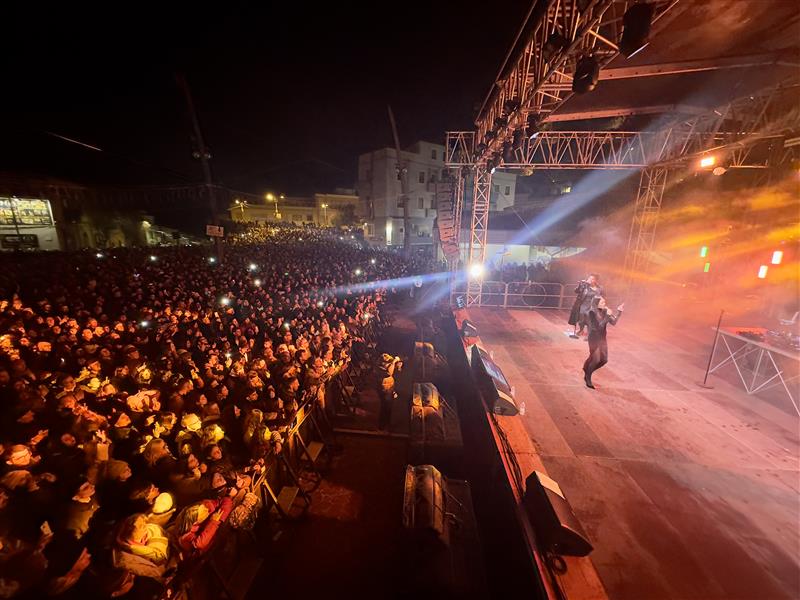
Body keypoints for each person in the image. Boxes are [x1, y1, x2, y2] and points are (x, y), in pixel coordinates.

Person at [582, 297, 624, 389]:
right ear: (597, 303)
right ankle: (588, 377)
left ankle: (587, 369)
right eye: (602, 301)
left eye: (605, 301)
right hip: (594, 338)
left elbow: (613, 322)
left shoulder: (605, 311)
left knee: (604, 360)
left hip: (602, 339)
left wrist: (619, 312)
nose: (605, 302)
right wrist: (607, 316)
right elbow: (598, 327)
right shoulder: (591, 313)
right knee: (596, 359)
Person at [568, 274, 603, 338]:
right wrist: (580, 285)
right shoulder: (585, 286)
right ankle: (581, 330)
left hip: (592, 305)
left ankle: (589, 334)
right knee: (581, 318)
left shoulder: (599, 289)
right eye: (589, 278)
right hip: (583, 304)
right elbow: (576, 291)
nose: (590, 280)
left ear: (595, 280)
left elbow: (601, 297)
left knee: (589, 319)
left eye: (592, 279)